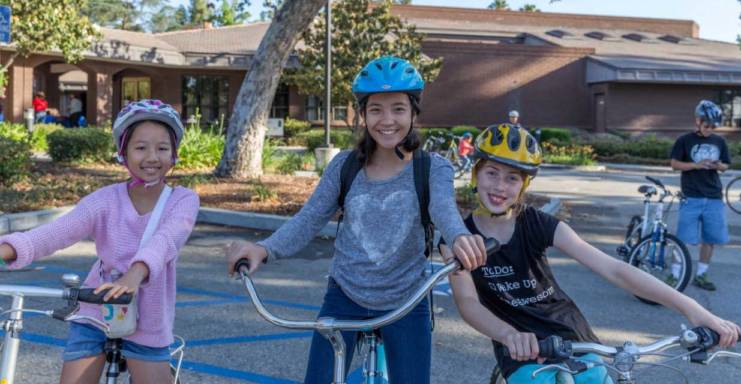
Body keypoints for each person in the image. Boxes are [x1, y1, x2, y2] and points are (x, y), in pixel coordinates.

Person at [226, 56, 486, 384]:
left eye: (398, 108)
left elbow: (445, 212)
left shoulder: (432, 168)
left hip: (407, 299)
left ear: (413, 113)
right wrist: (263, 249)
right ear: (362, 114)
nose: (387, 120)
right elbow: (308, 219)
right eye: (375, 109)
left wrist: (460, 237)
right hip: (345, 294)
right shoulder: (345, 167)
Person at [440, 122, 741, 383]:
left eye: (512, 178)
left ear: (523, 185)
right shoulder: (459, 236)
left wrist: (695, 311)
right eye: (492, 173)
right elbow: (468, 302)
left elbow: (613, 269)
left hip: (574, 338)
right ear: (475, 174)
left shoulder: (538, 224)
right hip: (519, 346)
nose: (500, 186)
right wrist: (508, 335)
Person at [0, 99, 199, 384]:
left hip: (149, 314)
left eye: (162, 148)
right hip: (96, 307)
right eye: (141, 148)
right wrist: (6, 249)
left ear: (174, 154)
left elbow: (167, 240)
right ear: (124, 153)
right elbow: (56, 233)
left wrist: (134, 274)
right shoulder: (105, 199)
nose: (152, 157)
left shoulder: (183, 200)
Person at [670, 100, 731, 291]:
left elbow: (726, 165)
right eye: (707, 125)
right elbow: (674, 164)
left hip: (713, 196)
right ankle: (674, 275)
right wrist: (696, 165)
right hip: (692, 196)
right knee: (683, 238)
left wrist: (718, 166)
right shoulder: (685, 140)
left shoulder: (720, 141)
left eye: (714, 126)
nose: (710, 129)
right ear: (697, 121)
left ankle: (701, 275)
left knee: (710, 238)